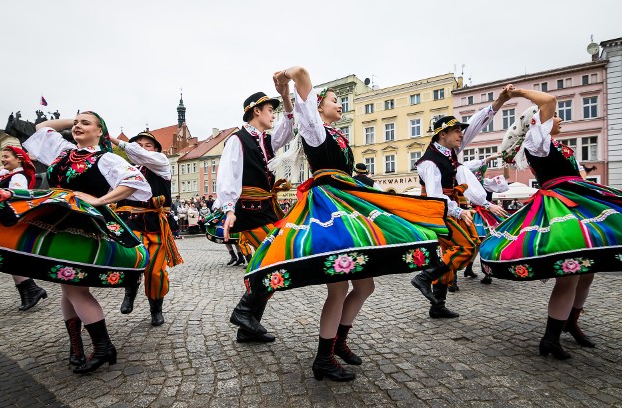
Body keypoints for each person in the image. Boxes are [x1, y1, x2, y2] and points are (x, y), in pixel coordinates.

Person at [244, 66, 450, 382]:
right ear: (317, 106)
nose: (340, 105)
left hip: (347, 200)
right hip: (329, 208)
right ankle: (323, 358)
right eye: (334, 101)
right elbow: (302, 78)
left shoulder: (338, 134)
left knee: (365, 285)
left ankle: (338, 342)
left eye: (341, 101)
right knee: (338, 290)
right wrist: (286, 78)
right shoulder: (315, 130)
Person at [0, 112, 152, 374]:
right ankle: (77, 345)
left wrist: (98, 201)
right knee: (67, 286)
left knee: (75, 289)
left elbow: (135, 182)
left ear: (100, 131)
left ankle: (103, 347)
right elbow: (42, 127)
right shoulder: (63, 151)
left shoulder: (105, 158)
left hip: (83, 225)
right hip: (58, 219)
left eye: (85, 123)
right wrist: (74, 118)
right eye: (75, 123)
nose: (77, 126)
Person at [480, 88, 622, 360]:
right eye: (555, 117)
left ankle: (570, 323)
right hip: (560, 205)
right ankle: (551, 337)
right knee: (570, 272)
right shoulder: (538, 141)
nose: (560, 120)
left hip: (578, 199)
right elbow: (548, 100)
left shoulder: (556, 145)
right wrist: (516, 92)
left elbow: (576, 174)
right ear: (537, 122)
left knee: (587, 271)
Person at [412, 85, 513, 318]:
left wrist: (498, 102)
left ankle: (437, 305)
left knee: (450, 251)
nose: (461, 134)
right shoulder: (430, 162)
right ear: (442, 134)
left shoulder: (449, 151)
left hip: (447, 206)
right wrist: (459, 211)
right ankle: (423, 277)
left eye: (460, 130)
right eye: (456, 131)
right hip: (436, 209)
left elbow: (477, 123)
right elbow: (436, 196)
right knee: (467, 245)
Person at [219, 77, 295, 344]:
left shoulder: (265, 141)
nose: (273, 114)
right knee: (275, 258)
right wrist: (229, 210)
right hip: (249, 212)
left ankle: (247, 326)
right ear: (256, 111)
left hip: (266, 209)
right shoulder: (237, 140)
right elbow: (228, 175)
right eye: (269, 109)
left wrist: (285, 96)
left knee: (269, 262)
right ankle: (243, 312)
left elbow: (289, 127)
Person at [112, 131, 183, 327]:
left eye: (148, 145)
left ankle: (156, 308)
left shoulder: (161, 164)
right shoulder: (125, 169)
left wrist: (116, 140)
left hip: (156, 225)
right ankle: (130, 289)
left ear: (157, 150)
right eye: (139, 144)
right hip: (130, 223)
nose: (143, 148)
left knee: (155, 271)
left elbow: (142, 155)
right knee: (132, 260)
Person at [0, 146, 48, 311]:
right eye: (2, 156)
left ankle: (31, 289)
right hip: (5, 220)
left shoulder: (19, 177)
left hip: (10, 221)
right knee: (7, 256)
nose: (2, 159)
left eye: (6, 156)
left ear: (18, 159)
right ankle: (30, 289)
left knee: (6, 256)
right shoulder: (11, 175)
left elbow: (17, 197)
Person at [459, 154, 509, 285]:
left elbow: (504, 183)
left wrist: (506, 164)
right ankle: (476, 270)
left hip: (484, 214)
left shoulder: (485, 183)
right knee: (478, 243)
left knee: (480, 243)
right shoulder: (468, 184)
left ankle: (480, 271)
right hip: (476, 214)